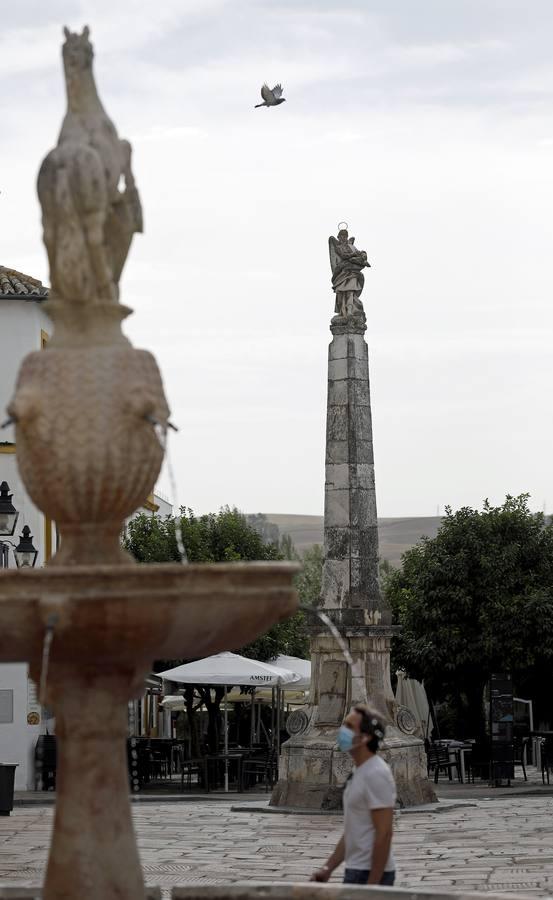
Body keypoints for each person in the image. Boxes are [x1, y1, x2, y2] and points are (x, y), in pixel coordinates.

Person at [310, 705, 397, 886]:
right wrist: (328, 869)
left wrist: (372, 886)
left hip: (368, 874)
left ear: (365, 737)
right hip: (356, 870)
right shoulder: (359, 770)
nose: (342, 731)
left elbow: (385, 834)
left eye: (349, 727)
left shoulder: (376, 773)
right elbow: (353, 831)